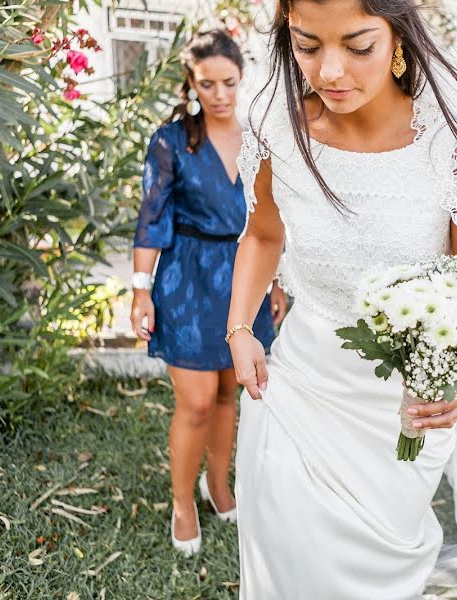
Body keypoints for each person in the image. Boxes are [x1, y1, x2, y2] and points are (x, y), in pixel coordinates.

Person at [225, 0, 457, 597]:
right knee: (289, 562)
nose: (330, 71)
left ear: (398, 39)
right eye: (308, 46)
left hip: (401, 416)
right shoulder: (279, 130)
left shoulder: (450, 145)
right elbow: (262, 234)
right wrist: (239, 329)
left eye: (357, 47)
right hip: (298, 390)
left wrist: (452, 382)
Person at [130, 29, 283, 557]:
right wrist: (140, 290)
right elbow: (152, 218)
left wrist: (277, 279)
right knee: (195, 402)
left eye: (229, 83)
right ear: (192, 83)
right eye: (208, 84)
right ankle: (182, 503)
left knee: (228, 394)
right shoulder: (171, 140)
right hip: (188, 278)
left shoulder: (261, 138)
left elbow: (274, 221)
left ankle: (218, 485)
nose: (219, 95)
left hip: (245, 276)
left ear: (242, 79)